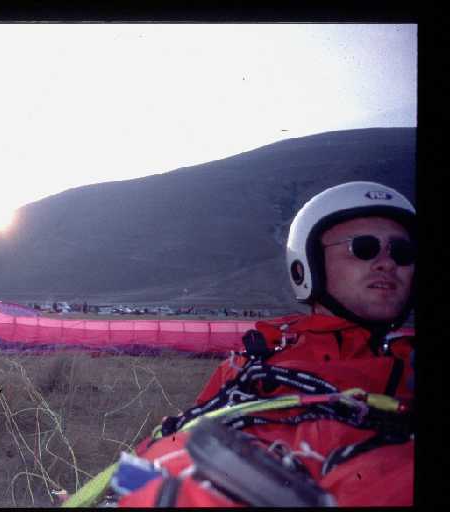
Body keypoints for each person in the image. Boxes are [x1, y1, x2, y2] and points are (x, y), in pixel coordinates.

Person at [65, 181, 416, 507]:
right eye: (364, 248)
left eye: (402, 252)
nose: (387, 263)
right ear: (308, 265)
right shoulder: (254, 359)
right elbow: (171, 445)